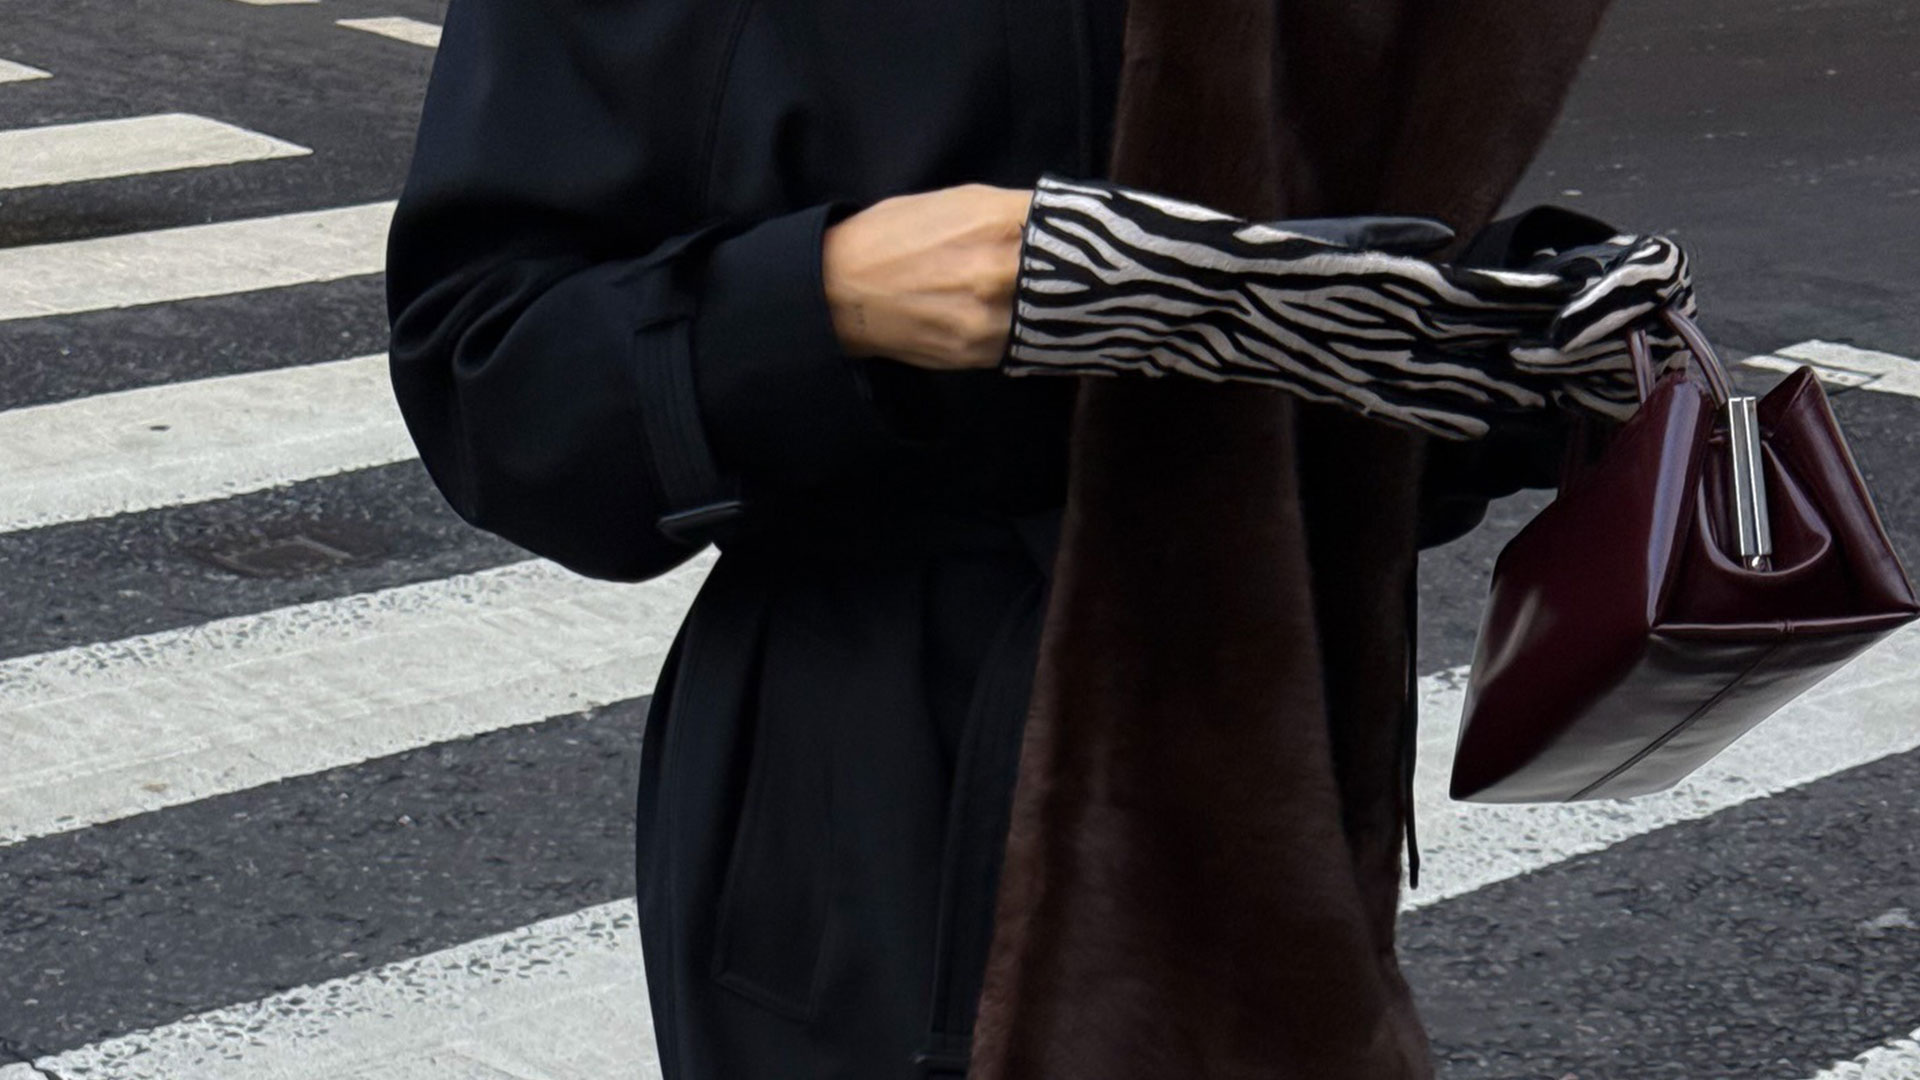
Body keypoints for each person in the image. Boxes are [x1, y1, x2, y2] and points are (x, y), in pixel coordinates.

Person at [383, 0, 1688, 1076]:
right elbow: (491, 376)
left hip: (1272, 810)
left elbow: (1294, 367)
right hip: (873, 843)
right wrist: (839, 294)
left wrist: (1502, 341)